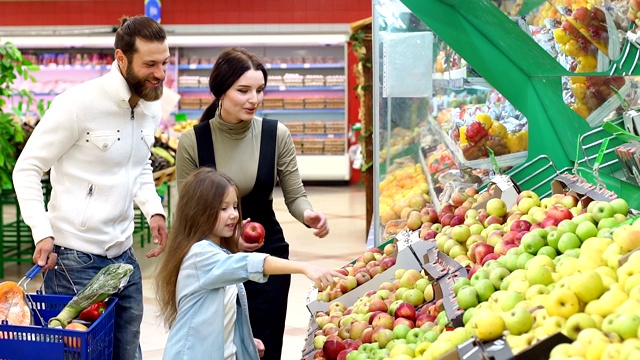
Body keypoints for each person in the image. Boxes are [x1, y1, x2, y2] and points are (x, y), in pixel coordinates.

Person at [12, 15, 169, 360]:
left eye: (164, 63)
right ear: (122, 59)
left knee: (128, 351)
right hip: (74, 261)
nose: (160, 74)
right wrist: (41, 231)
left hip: (124, 255)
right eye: (151, 64)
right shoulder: (78, 104)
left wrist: (153, 209)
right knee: (83, 355)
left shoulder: (150, 106)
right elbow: (27, 168)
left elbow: (139, 164)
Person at [175, 47, 330, 359]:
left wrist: (308, 214)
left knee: (265, 347)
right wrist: (229, 239)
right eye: (243, 91)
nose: (254, 100)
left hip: (268, 251)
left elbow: (295, 195)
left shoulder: (275, 135)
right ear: (220, 91)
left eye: (260, 90)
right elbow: (189, 214)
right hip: (216, 258)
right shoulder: (194, 141)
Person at [156, 168, 341, 359]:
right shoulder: (199, 255)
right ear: (199, 212)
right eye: (223, 208)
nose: (234, 215)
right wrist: (304, 267)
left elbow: (219, 314)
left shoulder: (218, 254)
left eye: (235, 206)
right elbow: (248, 264)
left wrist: (244, 339)